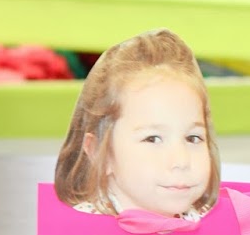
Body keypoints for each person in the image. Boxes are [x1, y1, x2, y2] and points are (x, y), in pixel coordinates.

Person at [53, 28, 221, 219]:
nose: (181, 161)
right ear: (100, 151)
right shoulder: (80, 231)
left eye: (193, 138)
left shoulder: (213, 225)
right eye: (153, 139)